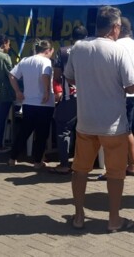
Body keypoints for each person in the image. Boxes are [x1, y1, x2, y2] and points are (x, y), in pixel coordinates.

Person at [63, 6, 134, 232]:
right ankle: (113, 220)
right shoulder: (118, 51)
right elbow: (132, 85)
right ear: (115, 27)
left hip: (86, 122)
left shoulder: (78, 48)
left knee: (80, 170)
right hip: (113, 126)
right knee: (116, 174)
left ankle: (78, 216)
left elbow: (70, 78)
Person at [98, 17, 134, 180]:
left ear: (118, 29)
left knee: (112, 131)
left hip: (117, 93)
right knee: (127, 129)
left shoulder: (116, 45)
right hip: (133, 94)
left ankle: (112, 169)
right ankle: (133, 165)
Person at [7, 39, 55, 170]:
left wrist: (18, 91)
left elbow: (11, 75)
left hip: (28, 102)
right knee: (42, 134)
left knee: (24, 131)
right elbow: (46, 75)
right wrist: (46, 91)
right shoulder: (46, 61)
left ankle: (13, 157)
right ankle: (37, 161)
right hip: (44, 104)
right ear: (48, 50)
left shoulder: (25, 60)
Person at [49, 25, 88, 174]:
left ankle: (64, 164)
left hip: (69, 96)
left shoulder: (63, 51)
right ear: (86, 37)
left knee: (64, 130)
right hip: (89, 97)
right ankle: (83, 163)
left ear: (72, 37)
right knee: (85, 132)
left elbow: (57, 75)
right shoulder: (92, 51)